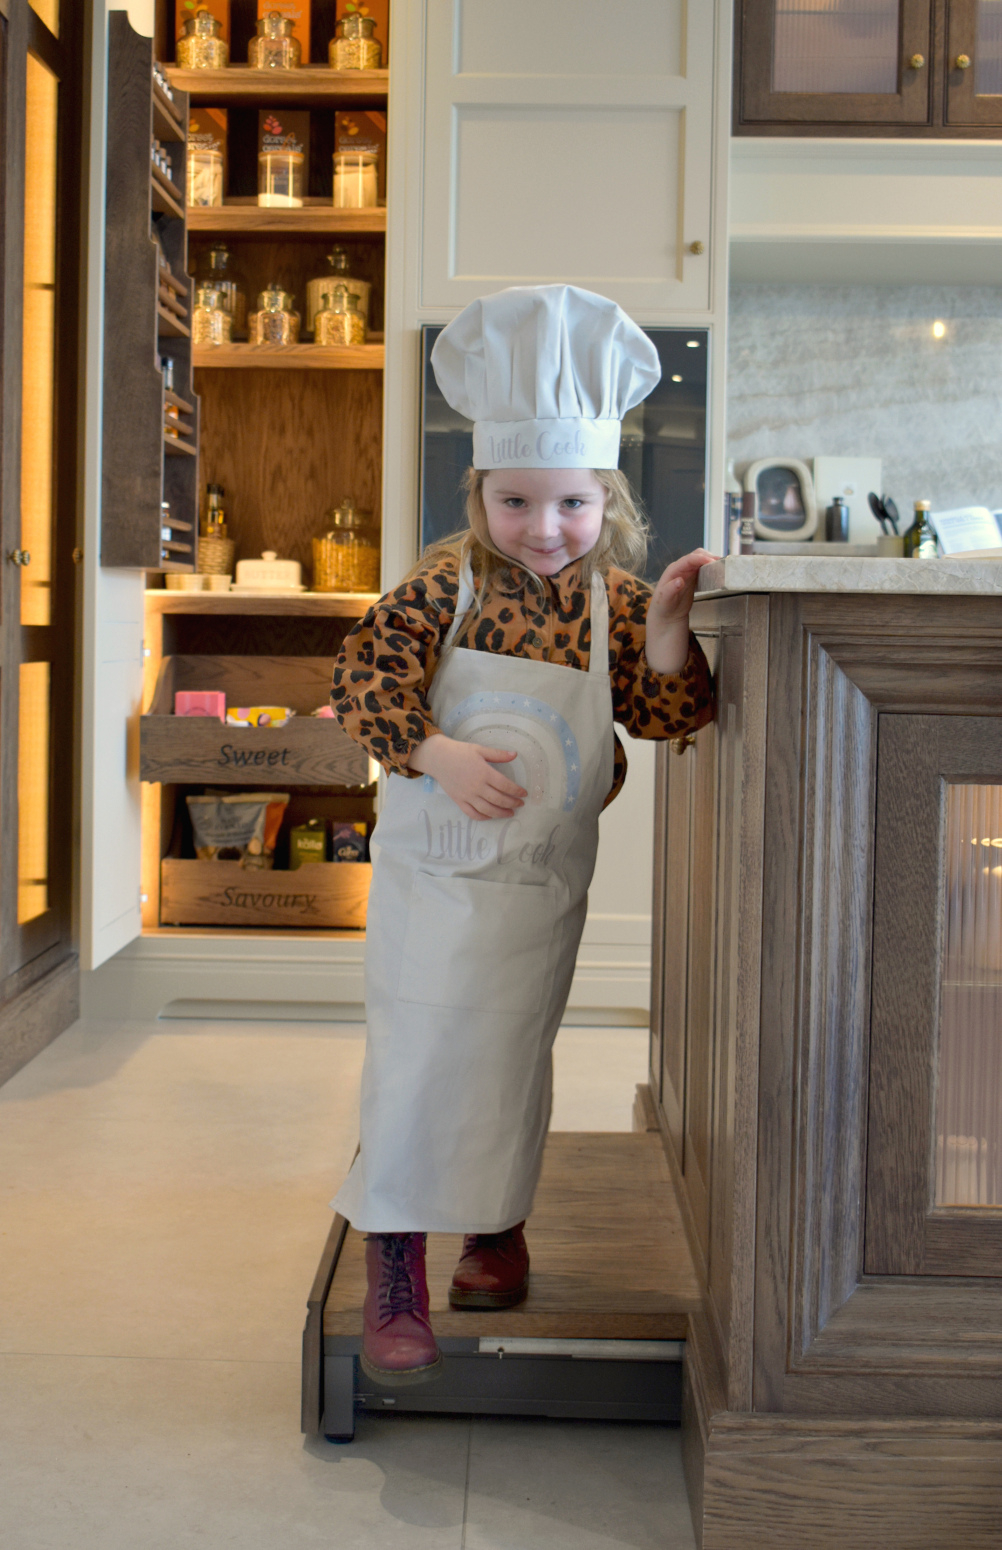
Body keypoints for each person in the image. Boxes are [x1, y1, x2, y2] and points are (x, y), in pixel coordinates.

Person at [329, 285, 715, 1386]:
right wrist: (437, 752)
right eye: (517, 502)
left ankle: (496, 1226)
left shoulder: (616, 602)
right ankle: (394, 1257)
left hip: (541, 887)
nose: (545, 528)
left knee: (509, 1056)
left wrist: (676, 625)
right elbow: (364, 678)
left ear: (607, 502)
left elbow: (668, 712)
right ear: (479, 495)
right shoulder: (442, 584)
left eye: (572, 505)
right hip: (434, 881)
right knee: (417, 1054)